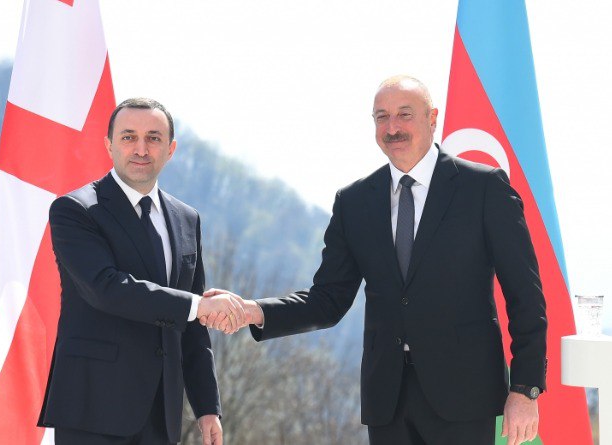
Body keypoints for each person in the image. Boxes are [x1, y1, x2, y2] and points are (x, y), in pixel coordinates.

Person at [203, 76, 547, 445]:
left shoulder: (483, 188)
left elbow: (525, 296)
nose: (392, 127)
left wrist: (525, 388)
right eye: (382, 117)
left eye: (404, 114)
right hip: (387, 401)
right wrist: (253, 311)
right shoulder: (354, 202)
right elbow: (328, 300)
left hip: (465, 396)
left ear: (432, 118)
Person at [38, 98, 246, 445]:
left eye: (153, 138)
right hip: (92, 407)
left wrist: (207, 406)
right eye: (128, 137)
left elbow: (193, 326)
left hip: (161, 414)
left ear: (171, 149)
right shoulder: (75, 210)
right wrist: (198, 305)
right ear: (109, 145)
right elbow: (106, 288)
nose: (141, 148)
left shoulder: (187, 219)